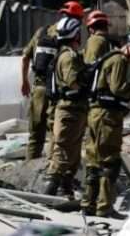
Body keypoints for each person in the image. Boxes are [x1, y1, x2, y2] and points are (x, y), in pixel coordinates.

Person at [81, 31, 130, 219]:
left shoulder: (110, 58)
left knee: (94, 161)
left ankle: (88, 204)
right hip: (107, 117)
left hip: (96, 113)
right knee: (110, 162)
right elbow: (118, 89)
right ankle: (104, 207)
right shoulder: (119, 60)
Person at [21, 0, 84, 159]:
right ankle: (51, 169)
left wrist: (24, 81)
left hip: (38, 89)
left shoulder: (41, 32)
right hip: (55, 93)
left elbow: (25, 57)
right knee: (55, 136)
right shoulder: (68, 36)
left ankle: (29, 169)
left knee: (35, 136)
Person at [43, 16, 87, 196]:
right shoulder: (68, 56)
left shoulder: (67, 54)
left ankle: (65, 191)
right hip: (69, 111)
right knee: (62, 155)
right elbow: (73, 82)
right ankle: (47, 196)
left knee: (73, 156)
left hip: (74, 111)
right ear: (75, 35)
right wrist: (88, 85)